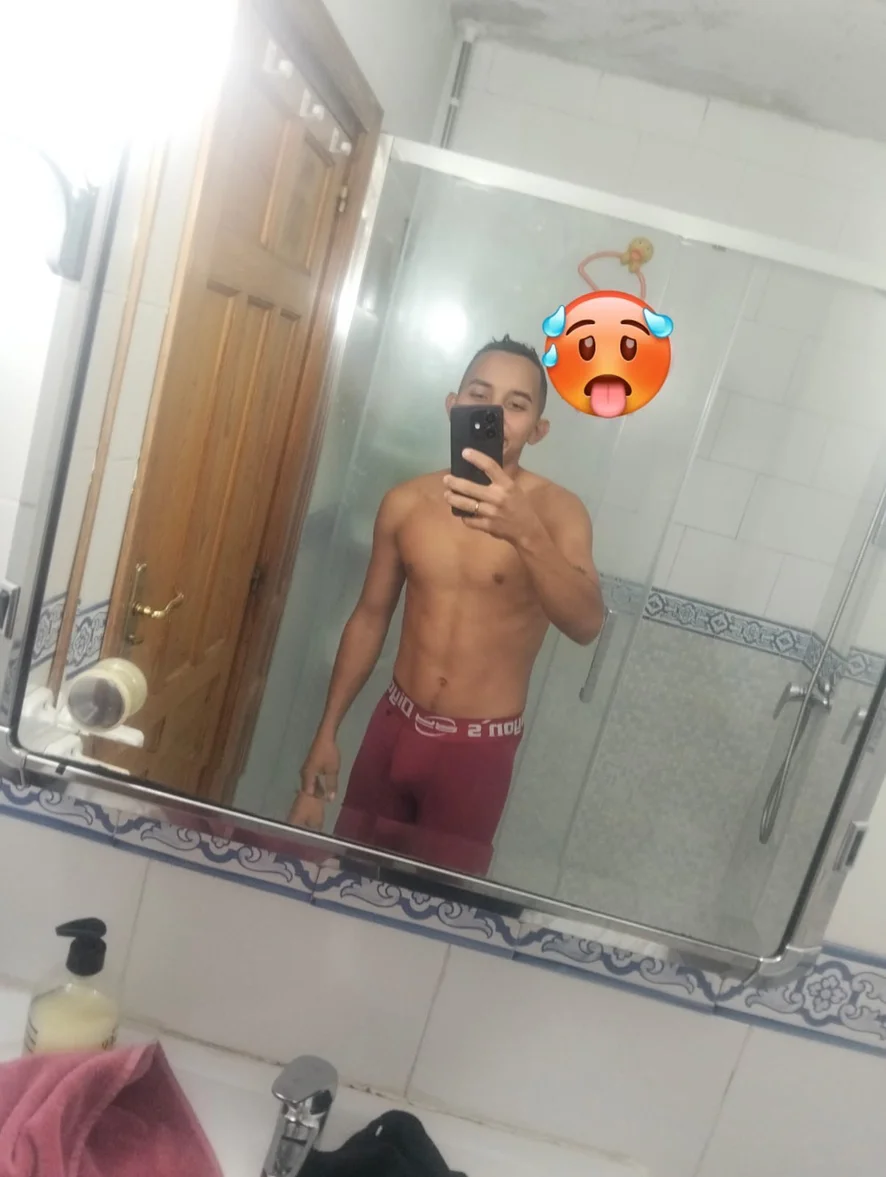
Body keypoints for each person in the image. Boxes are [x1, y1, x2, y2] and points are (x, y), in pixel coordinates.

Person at [289, 336, 605, 873]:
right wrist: (327, 732)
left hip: (477, 751)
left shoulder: (558, 513)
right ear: (453, 405)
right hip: (393, 726)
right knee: (350, 879)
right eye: (480, 395)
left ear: (538, 429)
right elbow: (369, 619)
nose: (494, 415)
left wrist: (526, 533)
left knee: (439, 904)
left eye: (516, 404)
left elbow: (586, 624)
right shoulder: (406, 502)